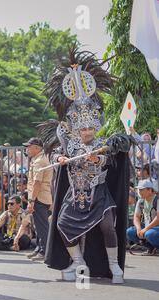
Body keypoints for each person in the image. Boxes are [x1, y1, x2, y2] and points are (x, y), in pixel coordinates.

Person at [41, 47, 131, 284]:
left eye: (90, 128)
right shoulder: (69, 144)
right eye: (82, 129)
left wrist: (97, 158)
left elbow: (110, 157)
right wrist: (58, 159)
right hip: (75, 194)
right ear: (77, 129)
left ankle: (114, 267)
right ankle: (78, 262)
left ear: (95, 127)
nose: (86, 132)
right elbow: (55, 155)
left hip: (98, 194)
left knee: (107, 227)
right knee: (61, 224)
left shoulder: (102, 143)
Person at [24, 137, 53, 262]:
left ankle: (44, 251)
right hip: (39, 197)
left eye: (29, 146)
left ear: (37, 148)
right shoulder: (37, 159)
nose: (27, 149)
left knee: (42, 227)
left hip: (39, 198)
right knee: (38, 226)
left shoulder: (40, 161)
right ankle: (40, 248)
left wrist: (31, 201)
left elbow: (37, 183)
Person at [126, 180, 159, 255]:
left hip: (155, 228)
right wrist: (138, 229)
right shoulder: (140, 201)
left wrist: (145, 229)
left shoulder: (157, 200)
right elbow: (136, 217)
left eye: (141, 190)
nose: (139, 192)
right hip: (149, 228)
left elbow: (158, 218)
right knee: (130, 232)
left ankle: (157, 249)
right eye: (139, 190)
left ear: (150, 190)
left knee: (149, 233)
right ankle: (151, 248)